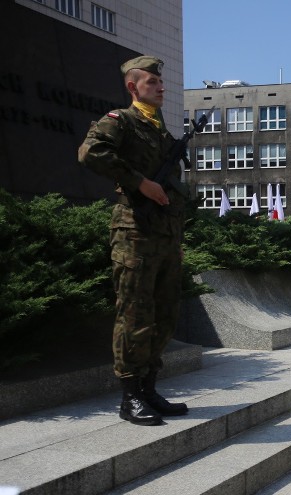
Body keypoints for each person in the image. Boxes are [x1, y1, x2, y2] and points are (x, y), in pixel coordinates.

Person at [78, 56, 188, 426]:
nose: (161, 86)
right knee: (135, 314)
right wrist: (140, 182)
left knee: (165, 314)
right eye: (152, 81)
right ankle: (130, 395)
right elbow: (90, 152)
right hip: (135, 232)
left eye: (161, 81)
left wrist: (177, 236)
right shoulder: (121, 121)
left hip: (165, 233)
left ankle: (149, 387)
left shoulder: (161, 131)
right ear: (133, 87)